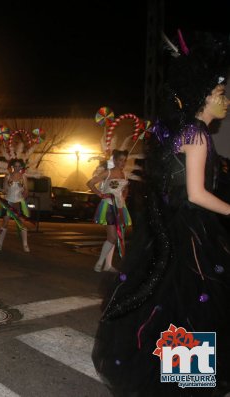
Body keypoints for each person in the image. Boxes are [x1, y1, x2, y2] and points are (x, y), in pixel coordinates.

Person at [92, 31, 230, 395]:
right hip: (191, 233)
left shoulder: (175, 133)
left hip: (169, 231)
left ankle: (177, 377)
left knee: (169, 306)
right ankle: (187, 382)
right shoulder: (198, 135)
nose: (226, 101)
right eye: (220, 95)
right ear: (202, 95)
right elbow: (198, 193)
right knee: (194, 305)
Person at [86, 150, 132, 272]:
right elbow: (90, 183)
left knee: (116, 236)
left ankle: (108, 265)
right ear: (115, 160)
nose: (123, 163)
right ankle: (99, 263)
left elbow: (126, 189)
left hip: (120, 207)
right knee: (112, 237)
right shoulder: (108, 173)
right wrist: (100, 194)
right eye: (120, 160)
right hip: (109, 207)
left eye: (125, 160)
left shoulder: (124, 175)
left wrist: (123, 198)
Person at [0, 158, 30, 252]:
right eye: (15, 166)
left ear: (22, 167)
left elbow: (27, 191)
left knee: (21, 224)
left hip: (19, 203)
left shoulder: (24, 177)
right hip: (8, 202)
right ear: (12, 166)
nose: (17, 168)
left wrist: (23, 196)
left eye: (19, 166)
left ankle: (25, 245)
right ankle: (0, 244)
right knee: (5, 223)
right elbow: (5, 190)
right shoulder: (7, 176)